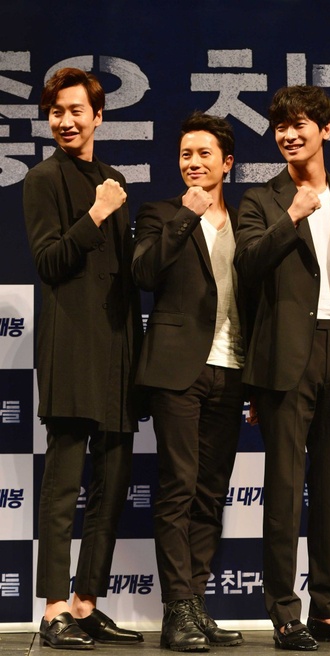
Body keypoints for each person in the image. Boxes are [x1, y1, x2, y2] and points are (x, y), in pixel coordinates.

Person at [234, 85, 330, 651]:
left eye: (299, 124)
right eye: (280, 126)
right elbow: (248, 265)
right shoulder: (261, 199)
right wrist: (292, 217)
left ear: (326, 129)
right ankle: (284, 613)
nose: (289, 135)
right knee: (283, 489)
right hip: (284, 356)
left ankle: (329, 609)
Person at [23, 67, 145, 650]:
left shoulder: (113, 179)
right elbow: (49, 262)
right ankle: (53, 611)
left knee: (112, 485)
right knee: (63, 485)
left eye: (76, 111)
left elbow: (125, 276)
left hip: (118, 350)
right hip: (71, 348)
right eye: (57, 112)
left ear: (98, 116)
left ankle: (85, 603)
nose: (66, 121)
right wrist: (95, 215)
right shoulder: (42, 179)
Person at [132, 111, 244, 651]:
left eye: (204, 154)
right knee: (178, 487)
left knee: (210, 493)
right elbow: (144, 274)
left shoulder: (247, 221)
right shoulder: (160, 213)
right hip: (177, 369)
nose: (193, 163)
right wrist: (186, 217)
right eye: (185, 155)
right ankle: (176, 609)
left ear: (227, 163)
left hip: (233, 367)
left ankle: (196, 604)